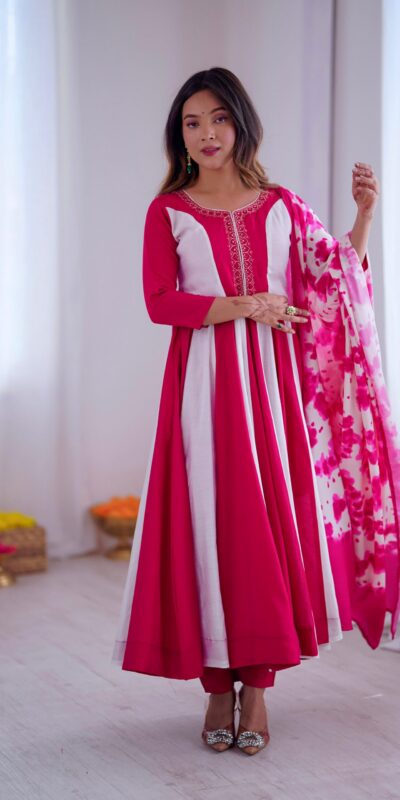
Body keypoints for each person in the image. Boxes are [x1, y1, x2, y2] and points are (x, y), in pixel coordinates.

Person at [112, 67, 400, 756]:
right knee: (211, 525)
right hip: (203, 387)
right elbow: (160, 302)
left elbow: (332, 281)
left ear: (241, 124)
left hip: (273, 391)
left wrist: (364, 217)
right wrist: (248, 305)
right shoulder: (168, 211)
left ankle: (259, 686)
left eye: (218, 118)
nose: (206, 133)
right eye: (192, 123)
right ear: (179, 137)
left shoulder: (282, 205)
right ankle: (217, 684)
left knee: (265, 531)